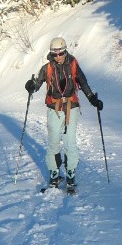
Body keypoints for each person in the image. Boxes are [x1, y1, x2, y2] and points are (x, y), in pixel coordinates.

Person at [24, 36, 102, 191]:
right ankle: (54, 174)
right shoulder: (47, 68)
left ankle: (70, 175)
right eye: (55, 54)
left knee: (69, 142)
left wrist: (92, 99)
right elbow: (37, 84)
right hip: (54, 108)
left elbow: (83, 83)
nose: (58, 56)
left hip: (71, 107)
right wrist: (31, 86)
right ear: (51, 54)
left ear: (65, 51)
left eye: (60, 53)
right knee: (53, 142)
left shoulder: (73, 65)